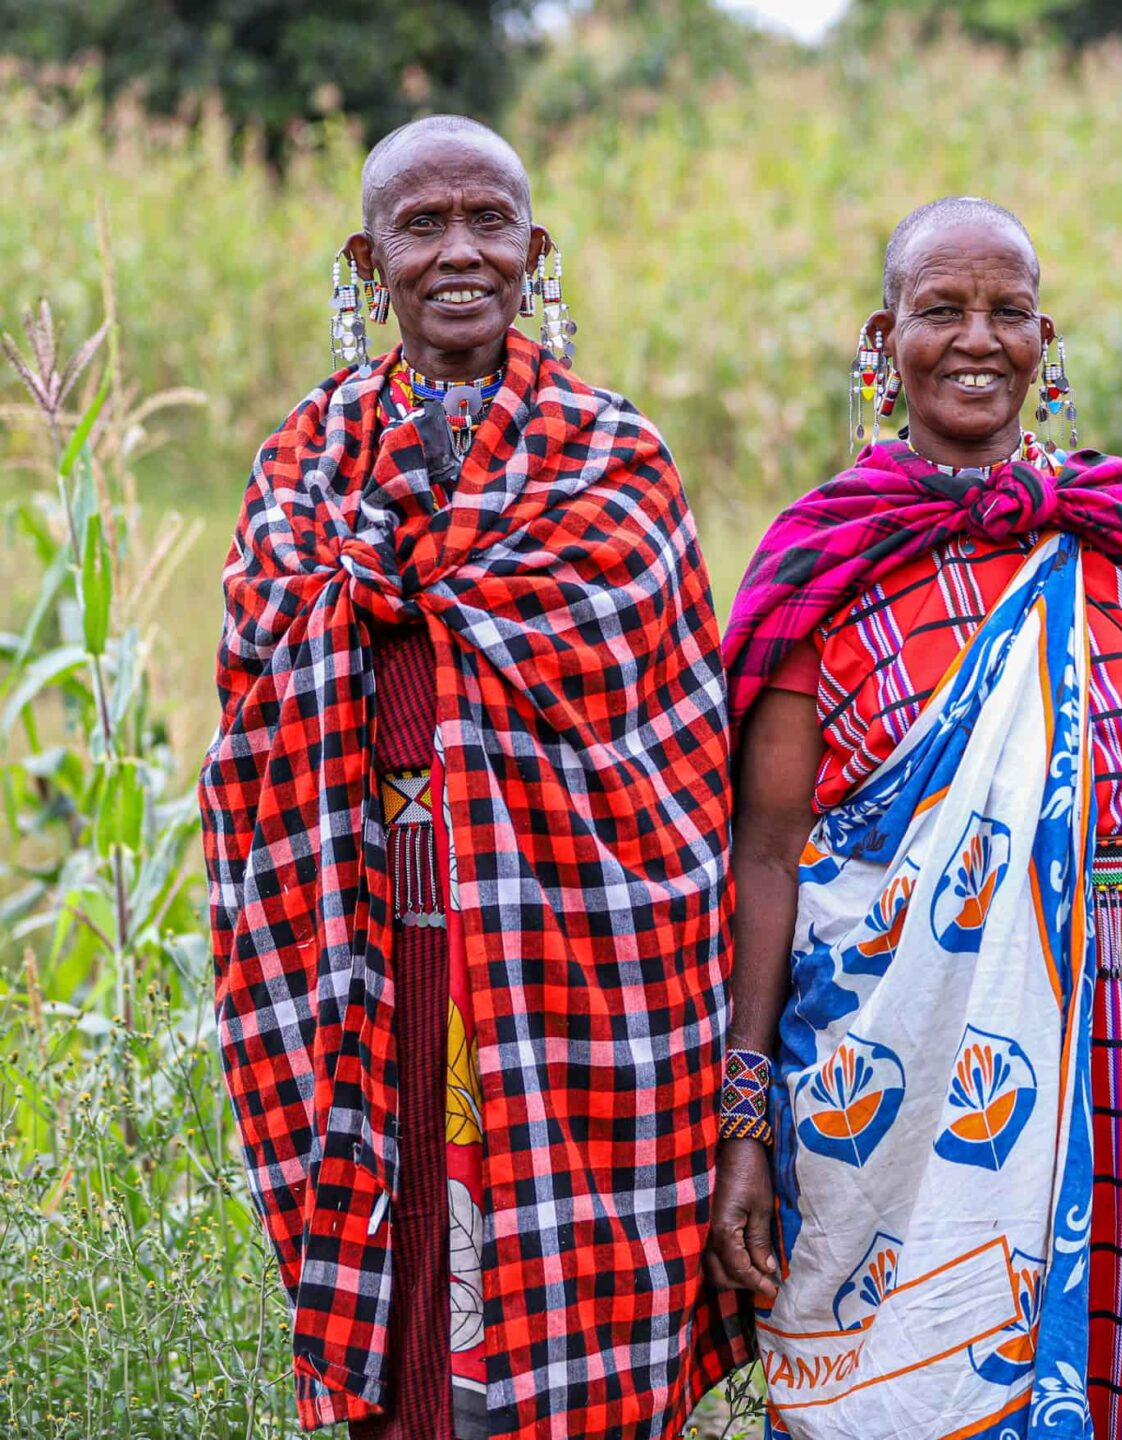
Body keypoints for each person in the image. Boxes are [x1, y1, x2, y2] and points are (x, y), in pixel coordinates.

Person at [713, 196, 1122, 1440]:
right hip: (904, 1065)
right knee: (912, 1382)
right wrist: (743, 1122)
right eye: (942, 311)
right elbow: (766, 859)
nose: (976, 338)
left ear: (1048, 338)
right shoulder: (824, 566)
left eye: (1006, 312)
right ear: (886, 342)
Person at [201, 116, 747, 1440]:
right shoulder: (304, 462)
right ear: (367, 257)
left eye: (489, 222)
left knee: (565, 1283)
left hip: (576, 965)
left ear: (535, 249)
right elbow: (254, 698)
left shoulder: (612, 462)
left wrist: (394, 605)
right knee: (404, 1291)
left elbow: (666, 751)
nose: (459, 253)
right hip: (369, 950)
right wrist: (379, 613)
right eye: (422, 225)